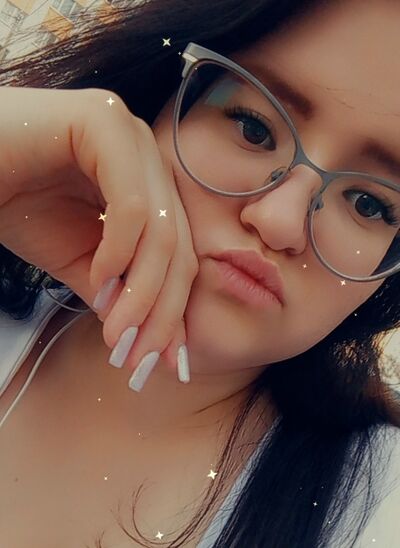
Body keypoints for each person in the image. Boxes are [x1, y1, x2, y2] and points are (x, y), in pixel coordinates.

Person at [0, 0, 399, 546]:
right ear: (160, 103)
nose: (280, 221)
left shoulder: (380, 507)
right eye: (253, 127)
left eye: (369, 205)